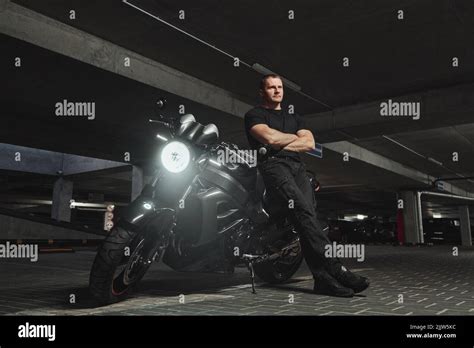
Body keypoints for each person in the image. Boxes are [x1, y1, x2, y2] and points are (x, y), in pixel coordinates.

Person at [244, 74, 369, 297]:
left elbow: (309, 143)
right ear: (262, 92)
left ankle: (322, 281)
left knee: (308, 218)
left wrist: (283, 141)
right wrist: (293, 140)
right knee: (302, 211)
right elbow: (270, 139)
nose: (277, 91)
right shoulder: (254, 115)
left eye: (280, 87)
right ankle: (335, 268)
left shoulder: (295, 118)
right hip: (273, 167)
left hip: (297, 168)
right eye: (271, 88)